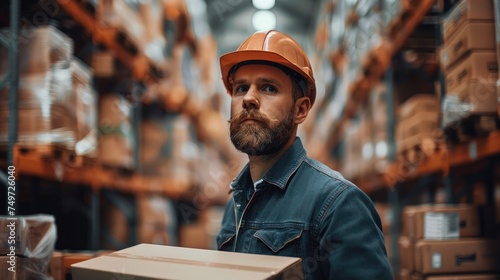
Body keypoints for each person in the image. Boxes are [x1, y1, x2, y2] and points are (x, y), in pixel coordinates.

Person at [216, 30, 393, 280]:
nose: (249, 99)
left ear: (301, 110)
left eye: (268, 88)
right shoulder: (235, 206)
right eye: (241, 88)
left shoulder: (339, 205)